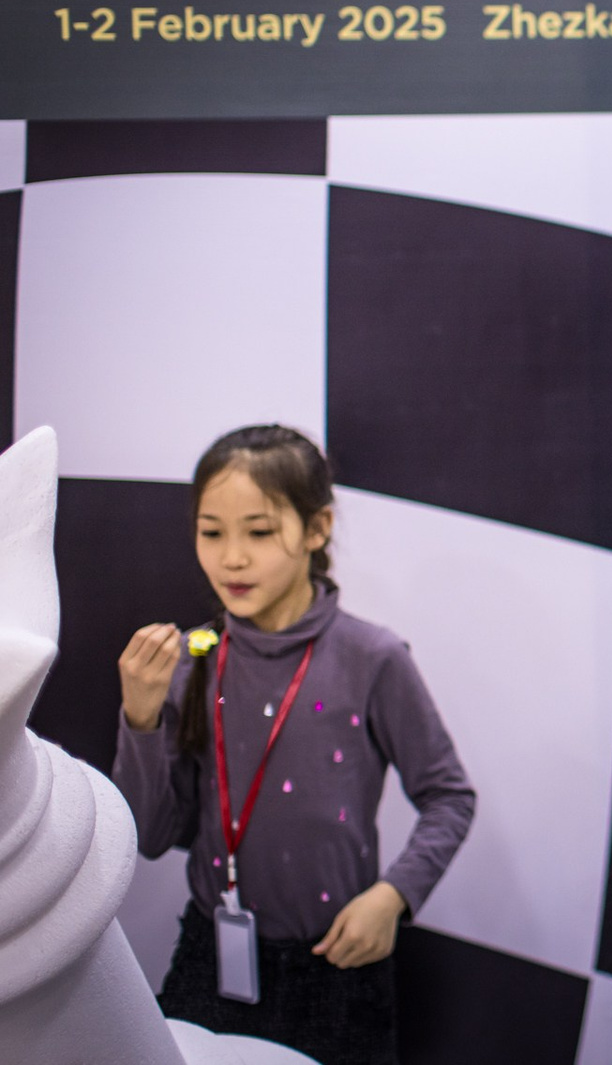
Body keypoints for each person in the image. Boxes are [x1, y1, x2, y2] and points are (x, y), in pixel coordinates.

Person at [113, 425, 475, 1065]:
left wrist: (393, 896)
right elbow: (150, 835)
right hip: (210, 957)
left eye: (259, 532)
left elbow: (449, 797)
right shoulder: (195, 658)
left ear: (317, 529)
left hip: (337, 966)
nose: (232, 559)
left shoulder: (373, 657)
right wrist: (140, 719)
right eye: (211, 532)